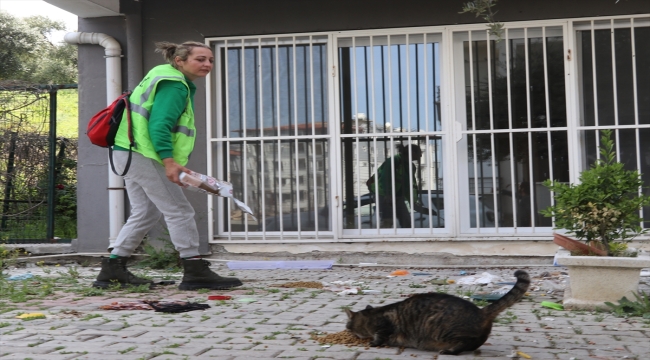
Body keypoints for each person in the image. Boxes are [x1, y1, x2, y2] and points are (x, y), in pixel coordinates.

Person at [93, 41, 242, 291]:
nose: (207, 64)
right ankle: (194, 269)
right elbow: (159, 125)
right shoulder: (174, 85)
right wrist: (169, 161)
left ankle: (112, 268)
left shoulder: (162, 76)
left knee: (145, 212)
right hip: (144, 154)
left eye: (210, 60)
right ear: (180, 61)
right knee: (180, 211)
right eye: (200, 59)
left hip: (128, 151)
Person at [369, 144, 429, 228]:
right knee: (388, 221)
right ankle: (384, 239)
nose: (421, 155)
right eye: (419, 153)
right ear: (412, 152)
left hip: (398, 196)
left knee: (406, 221)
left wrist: (413, 202)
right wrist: (388, 194)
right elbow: (386, 178)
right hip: (383, 194)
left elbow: (409, 186)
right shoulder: (393, 161)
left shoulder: (411, 166)